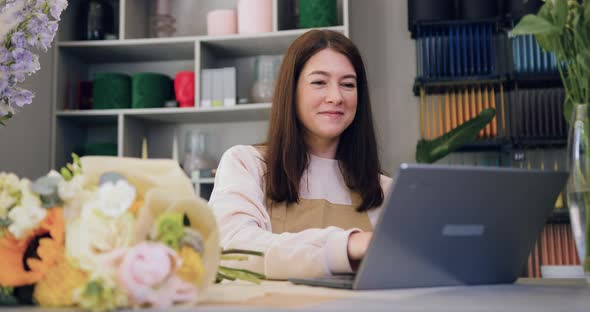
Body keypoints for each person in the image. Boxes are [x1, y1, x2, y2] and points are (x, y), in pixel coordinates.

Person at [208, 29, 392, 280]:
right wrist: (346, 245)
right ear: (291, 90)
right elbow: (233, 251)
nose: (336, 97)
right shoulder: (245, 164)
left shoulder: (383, 188)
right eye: (319, 82)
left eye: (348, 84)